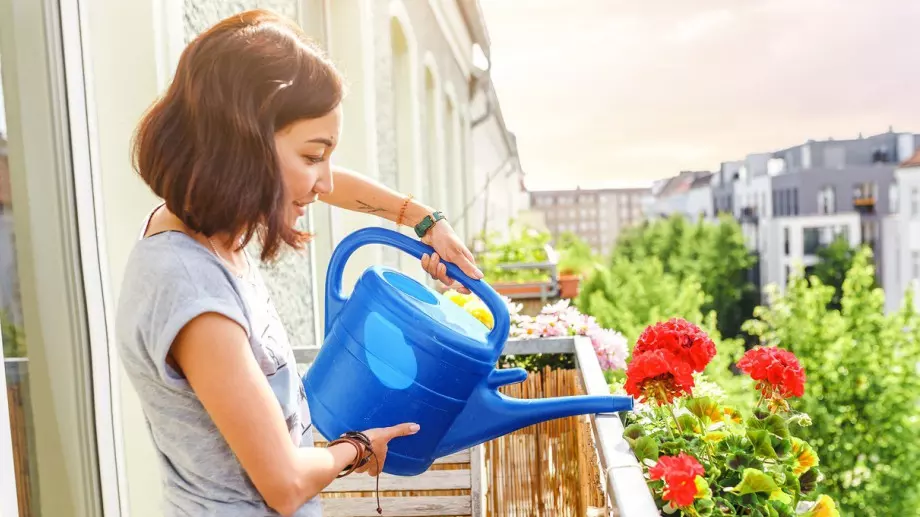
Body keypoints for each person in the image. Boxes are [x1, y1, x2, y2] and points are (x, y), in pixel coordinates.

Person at [115, 9, 483, 517]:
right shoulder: (189, 288)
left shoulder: (200, 233)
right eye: (313, 157)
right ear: (241, 146)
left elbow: (326, 181)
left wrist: (423, 220)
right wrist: (357, 447)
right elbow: (285, 483)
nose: (325, 182)